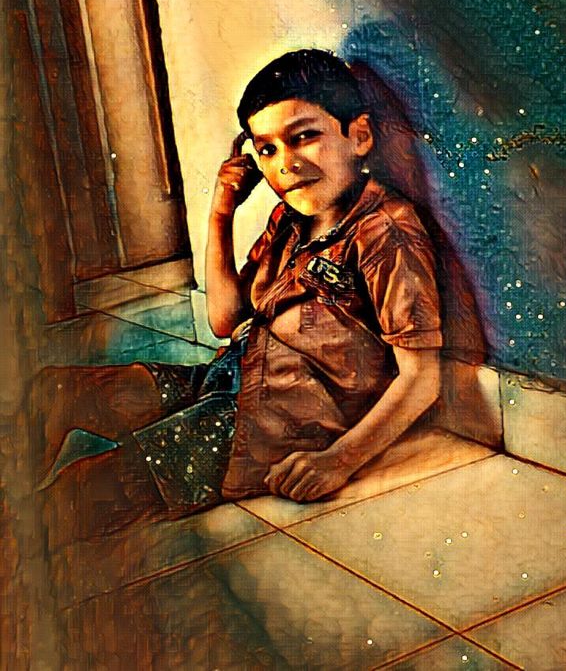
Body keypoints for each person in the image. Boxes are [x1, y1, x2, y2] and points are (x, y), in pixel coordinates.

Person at [36, 49, 443, 539]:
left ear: (358, 136)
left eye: (304, 137)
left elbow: (422, 378)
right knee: (50, 392)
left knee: (78, 493)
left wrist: (338, 460)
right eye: (267, 150)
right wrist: (221, 213)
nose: (286, 165)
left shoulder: (385, 232)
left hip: (278, 425)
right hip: (232, 379)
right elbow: (225, 321)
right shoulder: (290, 219)